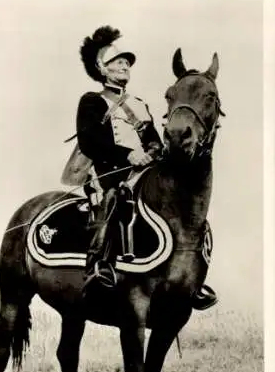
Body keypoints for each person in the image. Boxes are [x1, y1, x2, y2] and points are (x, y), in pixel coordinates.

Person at [76, 25, 217, 309]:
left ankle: (190, 278)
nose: (125, 65)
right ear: (102, 69)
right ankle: (98, 264)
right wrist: (128, 156)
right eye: (117, 62)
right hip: (109, 172)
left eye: (127, 62)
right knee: (116, 198)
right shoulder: (92, 101)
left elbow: (152, 138)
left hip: (143, 170)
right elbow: (89, 141)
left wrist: (154, 150)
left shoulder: (138, 104)